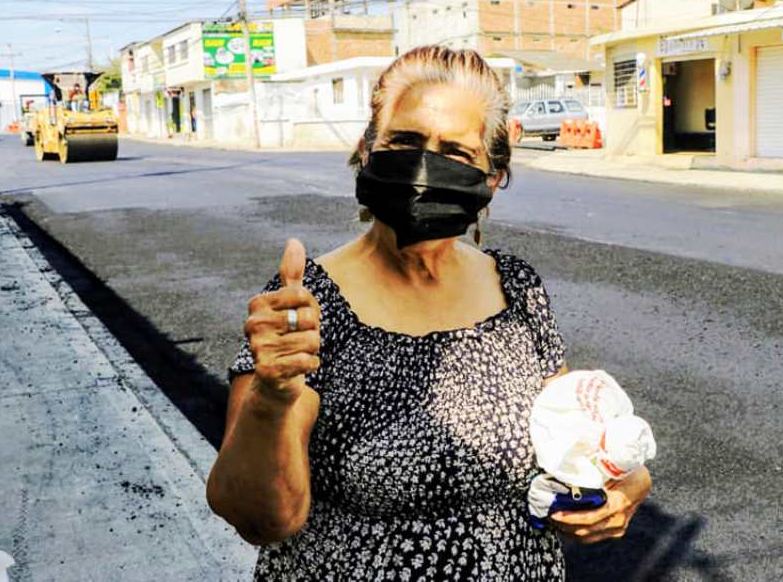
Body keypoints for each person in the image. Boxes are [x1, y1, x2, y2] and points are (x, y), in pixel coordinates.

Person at [206, 46, 652, 581]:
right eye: (405, 141)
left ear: (492, 177)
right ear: (367, 150)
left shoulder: (517, 288)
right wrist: (270, 400)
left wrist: (626, 483)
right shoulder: (305, 306)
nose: (424, 166)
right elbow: (264, 519)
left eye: (455, 152)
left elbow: (572, 440)